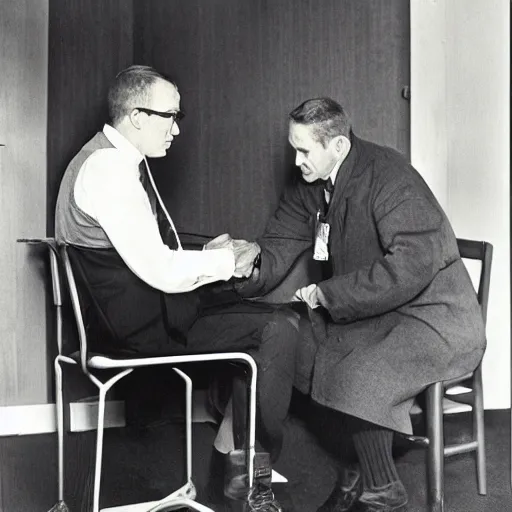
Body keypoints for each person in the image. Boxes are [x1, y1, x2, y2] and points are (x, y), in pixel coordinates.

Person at [54, 65, 297, 512]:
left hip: (128, 315)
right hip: (137, 331)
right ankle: (250, 482)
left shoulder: (104, 158)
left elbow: (141, 252)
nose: (177, 128)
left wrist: (209, 257)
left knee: (260, 316)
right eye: (171, 116)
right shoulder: (109, 170)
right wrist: (226, 262)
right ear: (137, 117)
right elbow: (162, 272)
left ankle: (232, 456)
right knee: (280, 329)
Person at [231, 97, 486, 512]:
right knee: (284, 335)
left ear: (339, 146)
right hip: (377, 310)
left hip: (436, 317)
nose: (296, 161)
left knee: (357, 367)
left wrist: (329, 295)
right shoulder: (310, 182)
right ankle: (350, 469)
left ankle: (383, 491)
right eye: (293, 148)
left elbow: (414, 262)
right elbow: (278, 243)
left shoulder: (391, 176)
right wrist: (245, 265)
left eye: (303, 150)